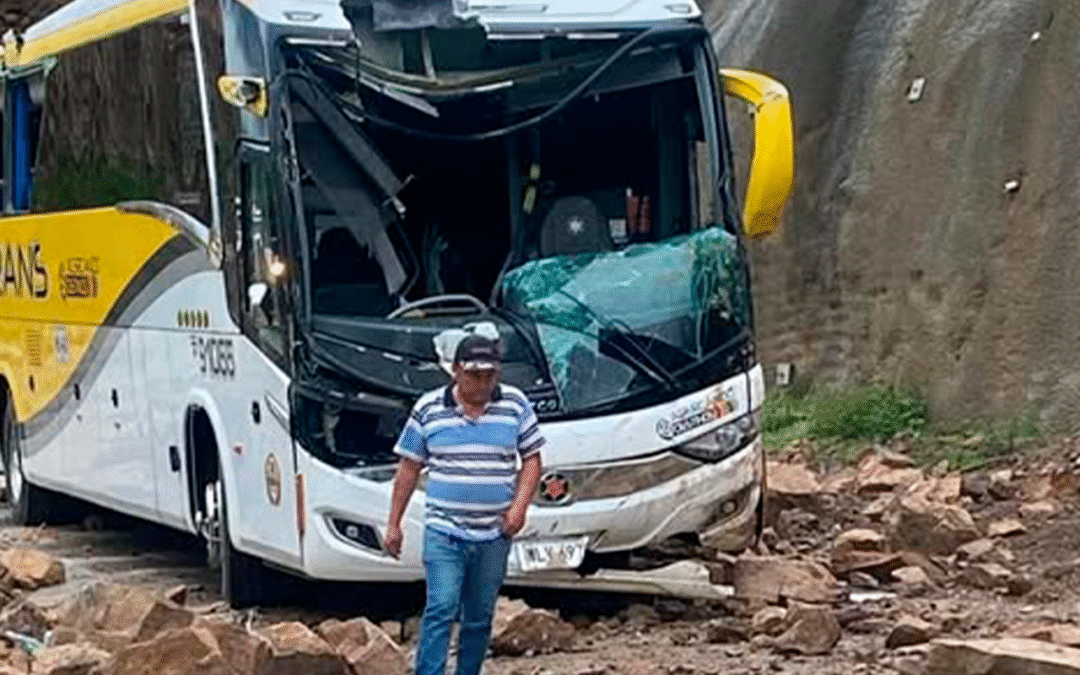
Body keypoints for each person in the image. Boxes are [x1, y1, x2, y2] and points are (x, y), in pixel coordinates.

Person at [384, 333, 544, 675]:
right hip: (445, 530)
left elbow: (532, 458)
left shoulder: (514, 404)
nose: (482, 383)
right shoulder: (429, 409)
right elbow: (409, 467)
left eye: (490, 375)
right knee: (441, 605)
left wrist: (519, 507)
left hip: (494, 533)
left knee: (480, 614)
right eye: (474, 375)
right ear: (455, 371)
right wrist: (393, 523)